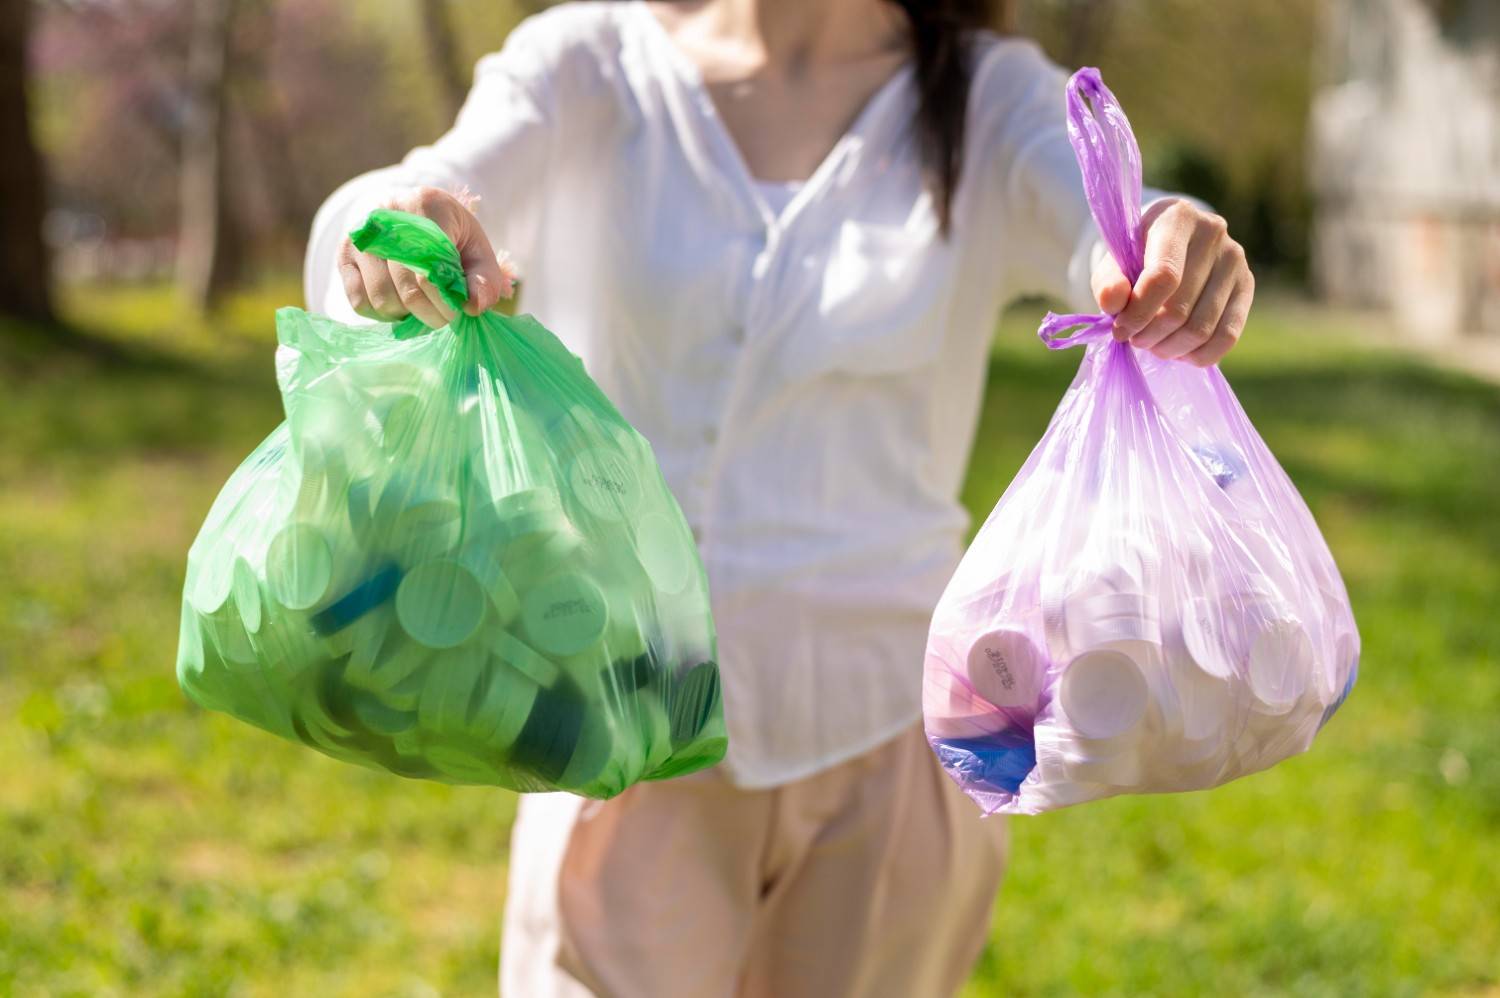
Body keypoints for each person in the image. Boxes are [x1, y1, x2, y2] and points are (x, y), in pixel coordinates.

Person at [304, 1, 1254, 994]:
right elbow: (431, 182)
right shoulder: (590, 62)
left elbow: (1101, 214)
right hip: (626, 727)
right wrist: (395, 230)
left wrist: (1158, 243)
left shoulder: (982, 94)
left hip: (885, 748)